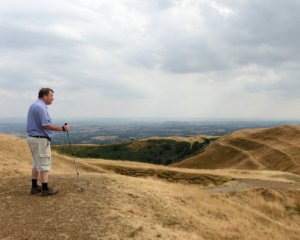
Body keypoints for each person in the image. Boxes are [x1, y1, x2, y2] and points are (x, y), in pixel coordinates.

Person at [27, 88, 70, 196]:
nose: (53, 98)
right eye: (51, 96)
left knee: (36, 162)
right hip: (40, 139)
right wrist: (62, 129)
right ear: (44, 96)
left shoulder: (33, 105)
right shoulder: (41, 107)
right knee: (45, 163)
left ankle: (35, 187)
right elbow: (46, 125)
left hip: (32, 138)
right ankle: (45, 189)